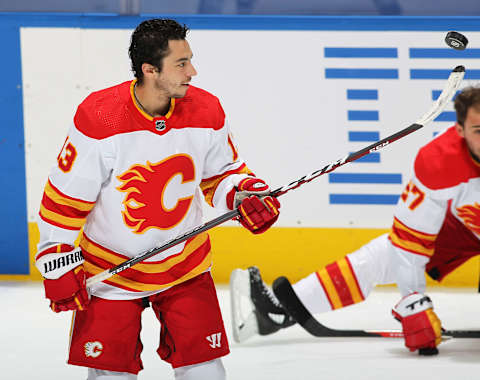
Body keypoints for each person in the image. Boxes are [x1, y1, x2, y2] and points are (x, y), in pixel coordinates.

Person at [35, 18, 281, 380]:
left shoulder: (206, 110)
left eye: (190, 60)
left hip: (184, 266)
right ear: (149, 70)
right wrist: (55, 255)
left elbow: (221, 175)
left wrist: (243, 195)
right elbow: (65, 197)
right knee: (109, 376)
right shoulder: (100, 117)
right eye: (181, 64)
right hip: (111, 270)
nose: (193, 71)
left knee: (206, 373)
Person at [230, 85, 480, 356]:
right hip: (467, 225)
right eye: (479, 131)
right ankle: (280, 310)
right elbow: (409, 244)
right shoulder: (440, 162)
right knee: (388, 253)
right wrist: (413, 302)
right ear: (460, 131)